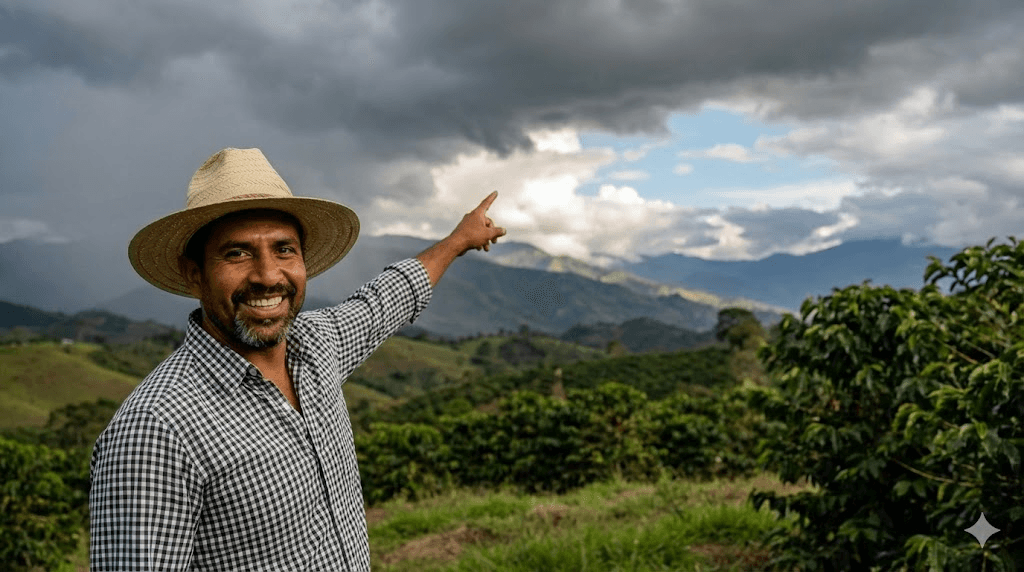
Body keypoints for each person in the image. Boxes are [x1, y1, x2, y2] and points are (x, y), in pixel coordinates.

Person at [89, 147, 505, 570]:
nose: (268, 275)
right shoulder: (156, 430)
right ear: (194, 272)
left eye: (284, 250)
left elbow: (386, 299)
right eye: (237, 253)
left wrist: (458, 241)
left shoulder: (317, 346)